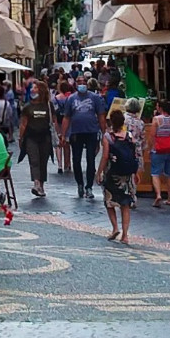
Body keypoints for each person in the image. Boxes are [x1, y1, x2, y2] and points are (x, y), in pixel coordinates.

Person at [97, 110, 139, 243]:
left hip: (112, 173)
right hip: (127, 175)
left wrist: (99, 172)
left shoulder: (108, 137)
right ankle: (125, 235)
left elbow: (105, 157)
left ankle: (115, 228)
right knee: (125, 204)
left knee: (109, 202)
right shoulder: (129, 136)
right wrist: (136, 172)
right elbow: (134, 155)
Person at [65, 80, 108, 199]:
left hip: (91, 132)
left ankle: (89, 186)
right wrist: (63, 134)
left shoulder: (95, 98)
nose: (81, 84)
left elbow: (101, 115)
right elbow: (66, 117)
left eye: (83, 81)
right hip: (76, 133)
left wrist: (104, 132)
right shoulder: (71, 98)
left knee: (91, 159)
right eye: (79, 82)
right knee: (76, 160)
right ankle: (80, 184)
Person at [18, 79, 55, 197]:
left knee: (43, 161)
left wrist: (59, 135)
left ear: (41, 90)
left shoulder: (48, 106)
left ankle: (41, 186)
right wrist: (21, 137)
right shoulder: (27, 107)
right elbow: (23, 123)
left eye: (35, 88)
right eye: (32, 88)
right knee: (34, 161)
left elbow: (53, 121)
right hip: (31, 137)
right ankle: (36, 183)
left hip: (45, 137)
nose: (32, 90)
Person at [148, 101, 170, 207]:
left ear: (160, 108)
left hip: (159, 150)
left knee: (155, 173)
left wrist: (150, 148)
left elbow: (152, 135)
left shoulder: (156, 120)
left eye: (157, 106)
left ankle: (158, 194)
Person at [121, 98, 146, 209]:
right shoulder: (140, 122)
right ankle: (133, 195)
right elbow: (143, 138)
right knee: (133, 174)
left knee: (123, 173)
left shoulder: (122, 119)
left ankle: (124, 194)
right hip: (136, 151)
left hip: (123, 150)